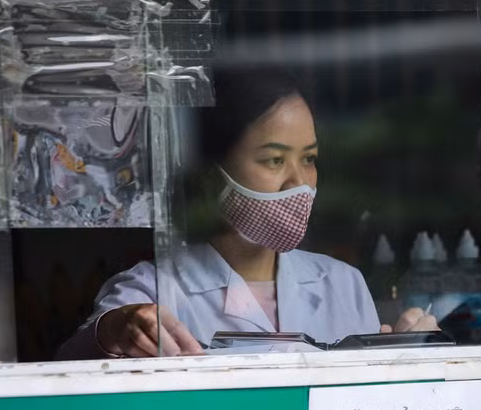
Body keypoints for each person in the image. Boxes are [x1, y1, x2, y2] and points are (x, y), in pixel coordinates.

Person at [58, 68, 436, 359]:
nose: (299, 184)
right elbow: (71, 363)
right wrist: (114, 331)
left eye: (309, 159)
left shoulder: (342, 283)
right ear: (209, 175)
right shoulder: (154, 289)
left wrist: (406, 355)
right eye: (274, 160)